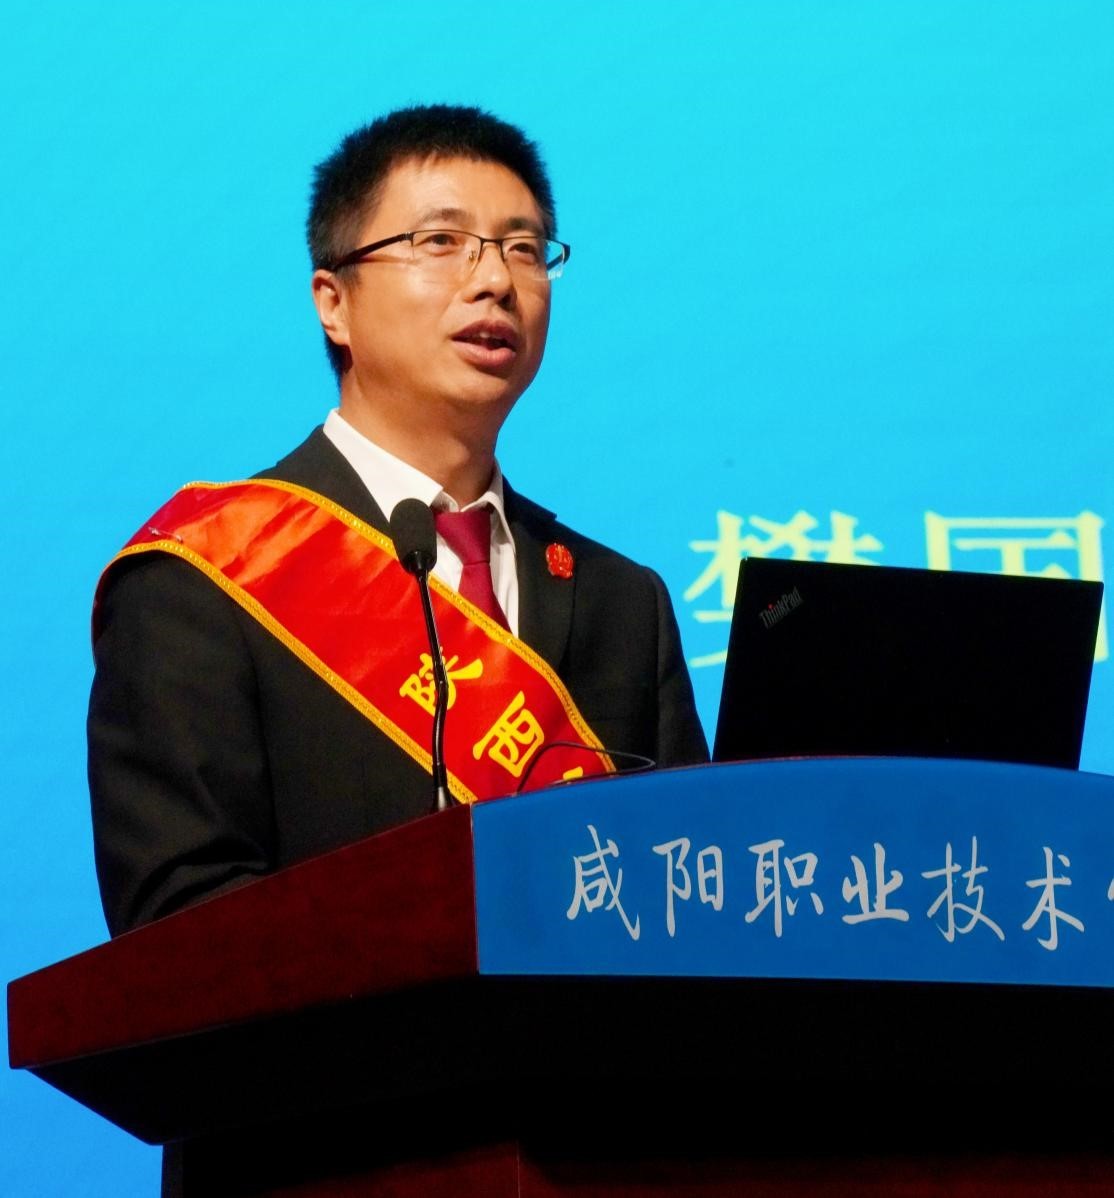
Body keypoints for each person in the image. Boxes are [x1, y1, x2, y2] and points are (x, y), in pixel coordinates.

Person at [88, 103, 709, 940]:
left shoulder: (625, 603)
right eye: (441, 242)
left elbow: (687, 896)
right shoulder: (205, 582)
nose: (495, 282)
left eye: (524, 250)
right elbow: (182, 927)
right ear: (333, 302)